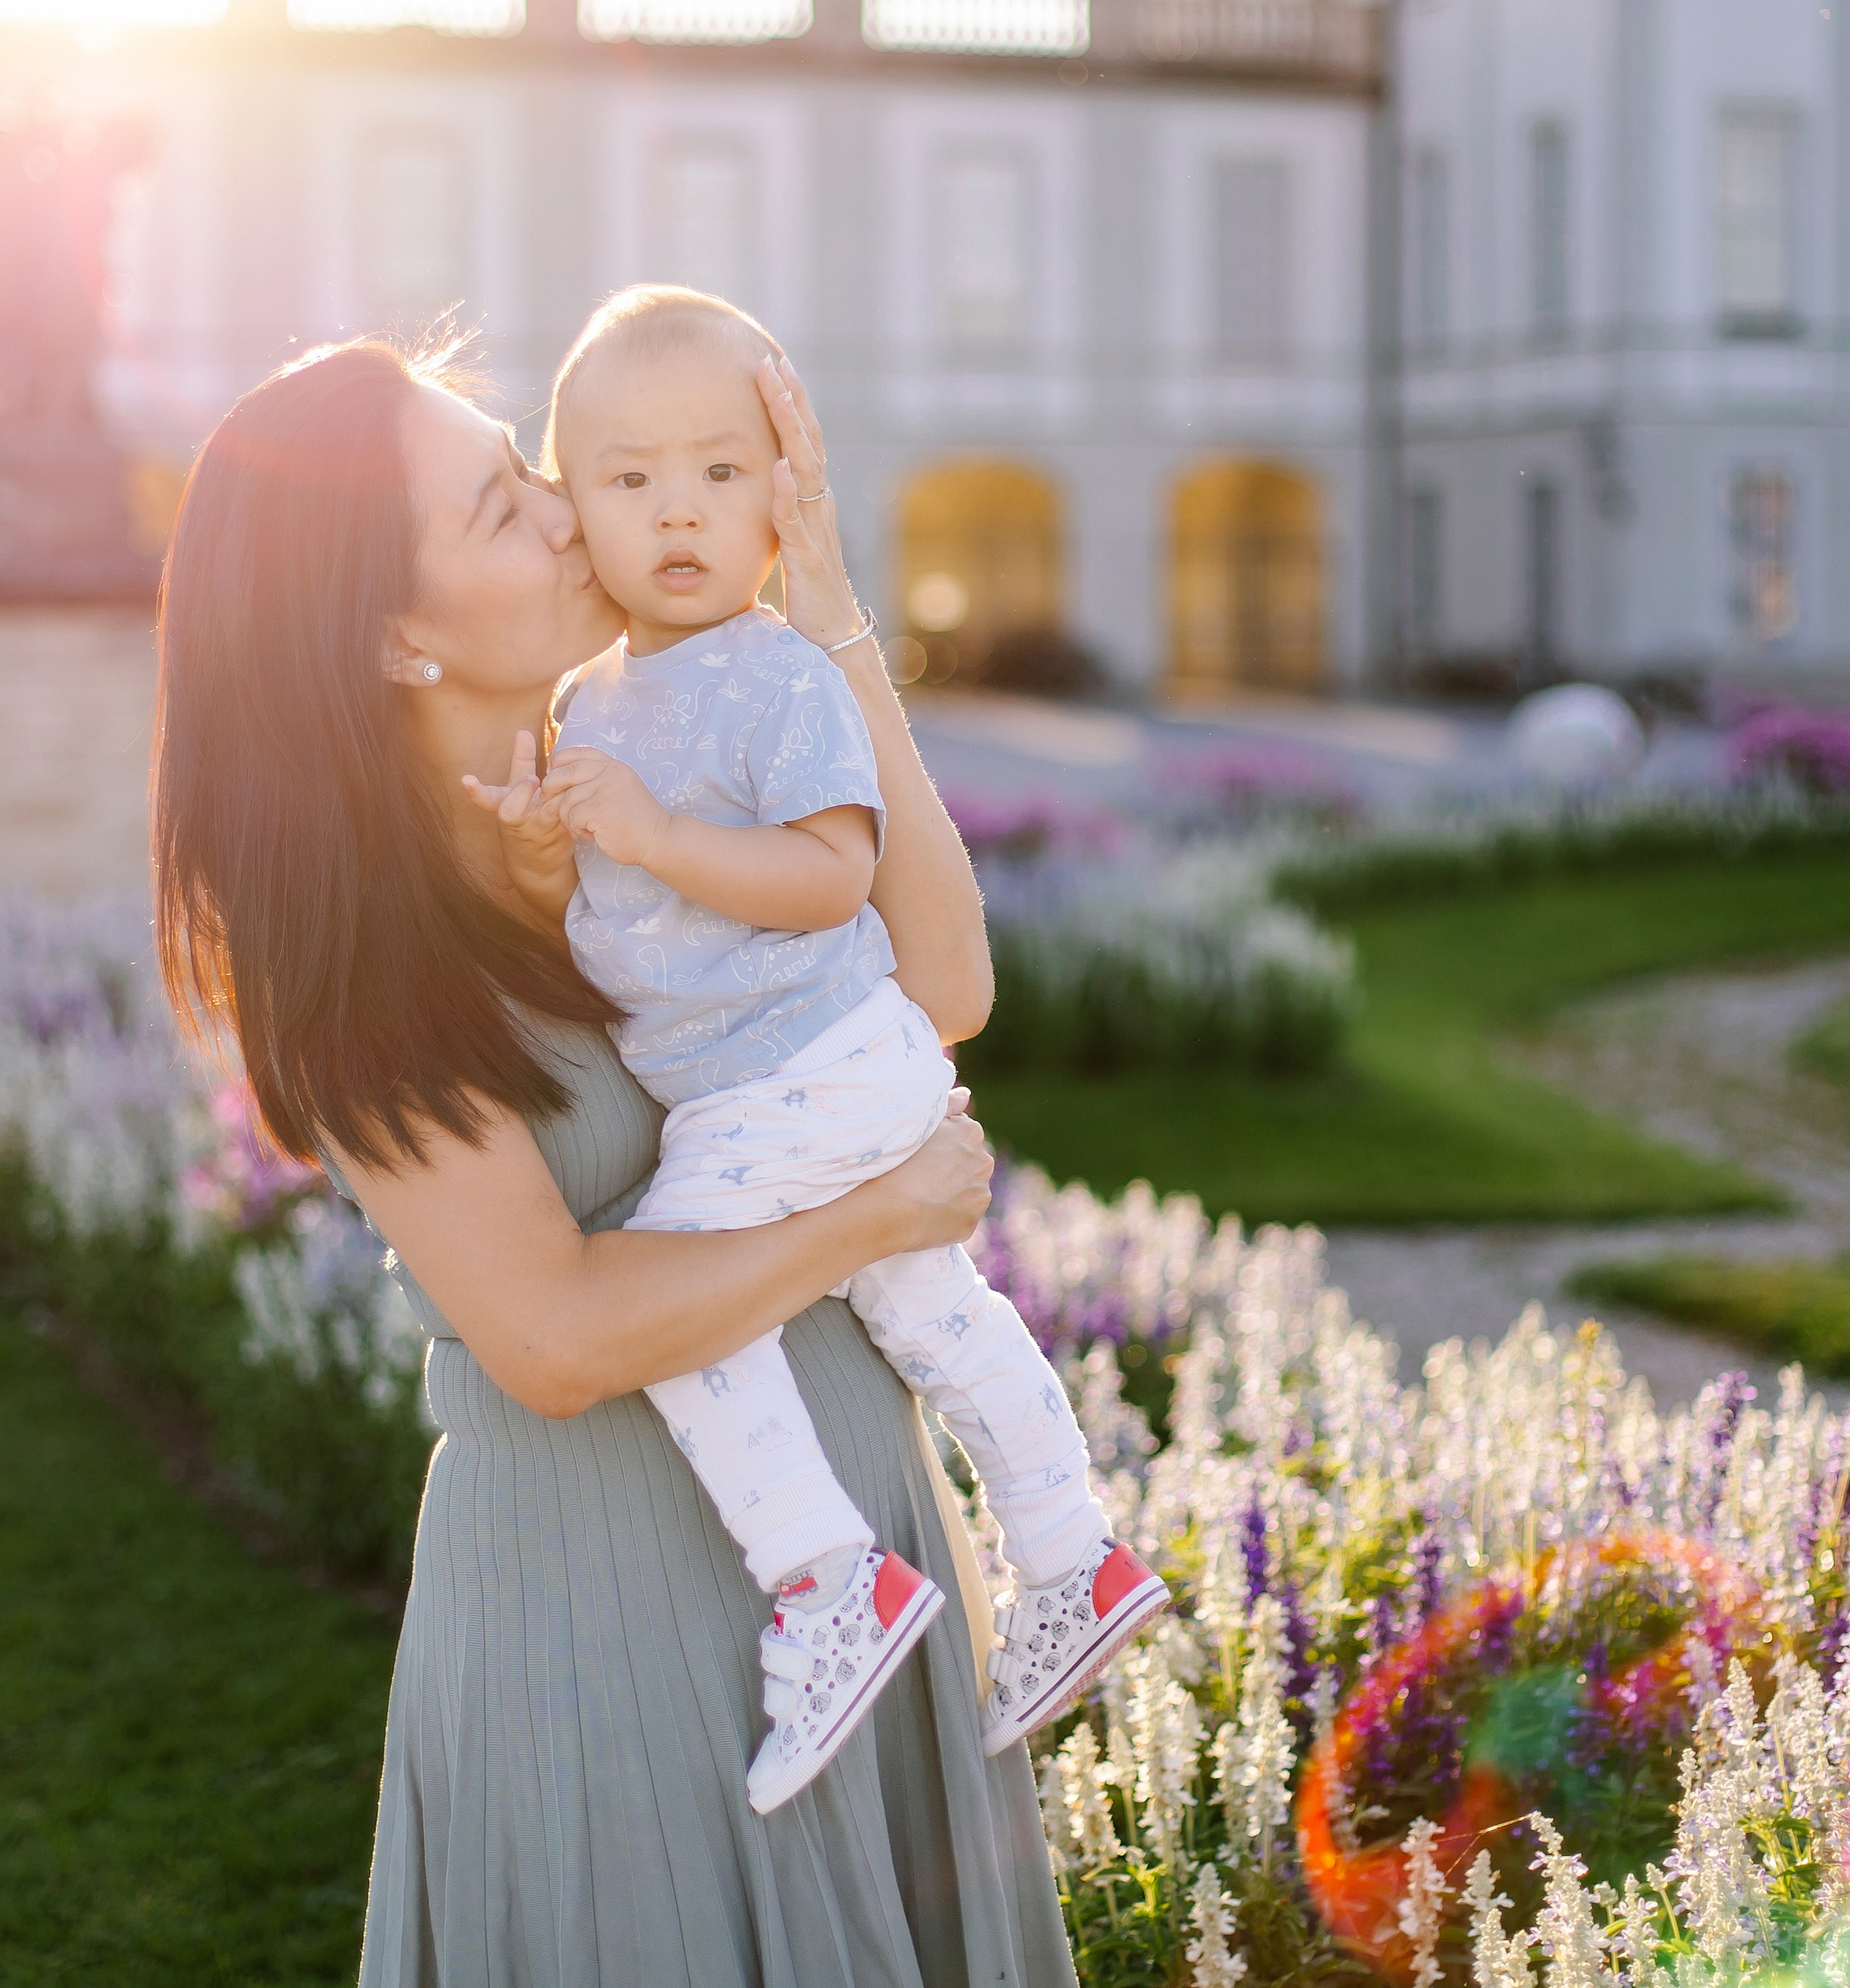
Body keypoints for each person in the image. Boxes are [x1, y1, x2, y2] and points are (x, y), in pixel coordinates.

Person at [152, 330, 1080, 1986]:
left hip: (854, 1542)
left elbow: (938, 986)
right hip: (622, 1610)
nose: (579, 513)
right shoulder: (360, 949)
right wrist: (880, 1207)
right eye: (507, 508)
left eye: (536, 471)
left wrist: (826, 618)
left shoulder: (646, 753)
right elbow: (557, 1335)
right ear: (393, 635)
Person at [464, 284, 1167, 1816]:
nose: (678, 513)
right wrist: (547, 849)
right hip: (804, 1074)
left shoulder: (773, 672)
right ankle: (1070, 1550)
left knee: (677, 1301)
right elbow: (598, 909)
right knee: (931, 1302)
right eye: (631, 477)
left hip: (799, 1067)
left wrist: (647, 827)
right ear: (571, 503)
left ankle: (824, 1573)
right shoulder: (596, 703)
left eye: (721, 472)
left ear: (781, 497)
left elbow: (828, 875)